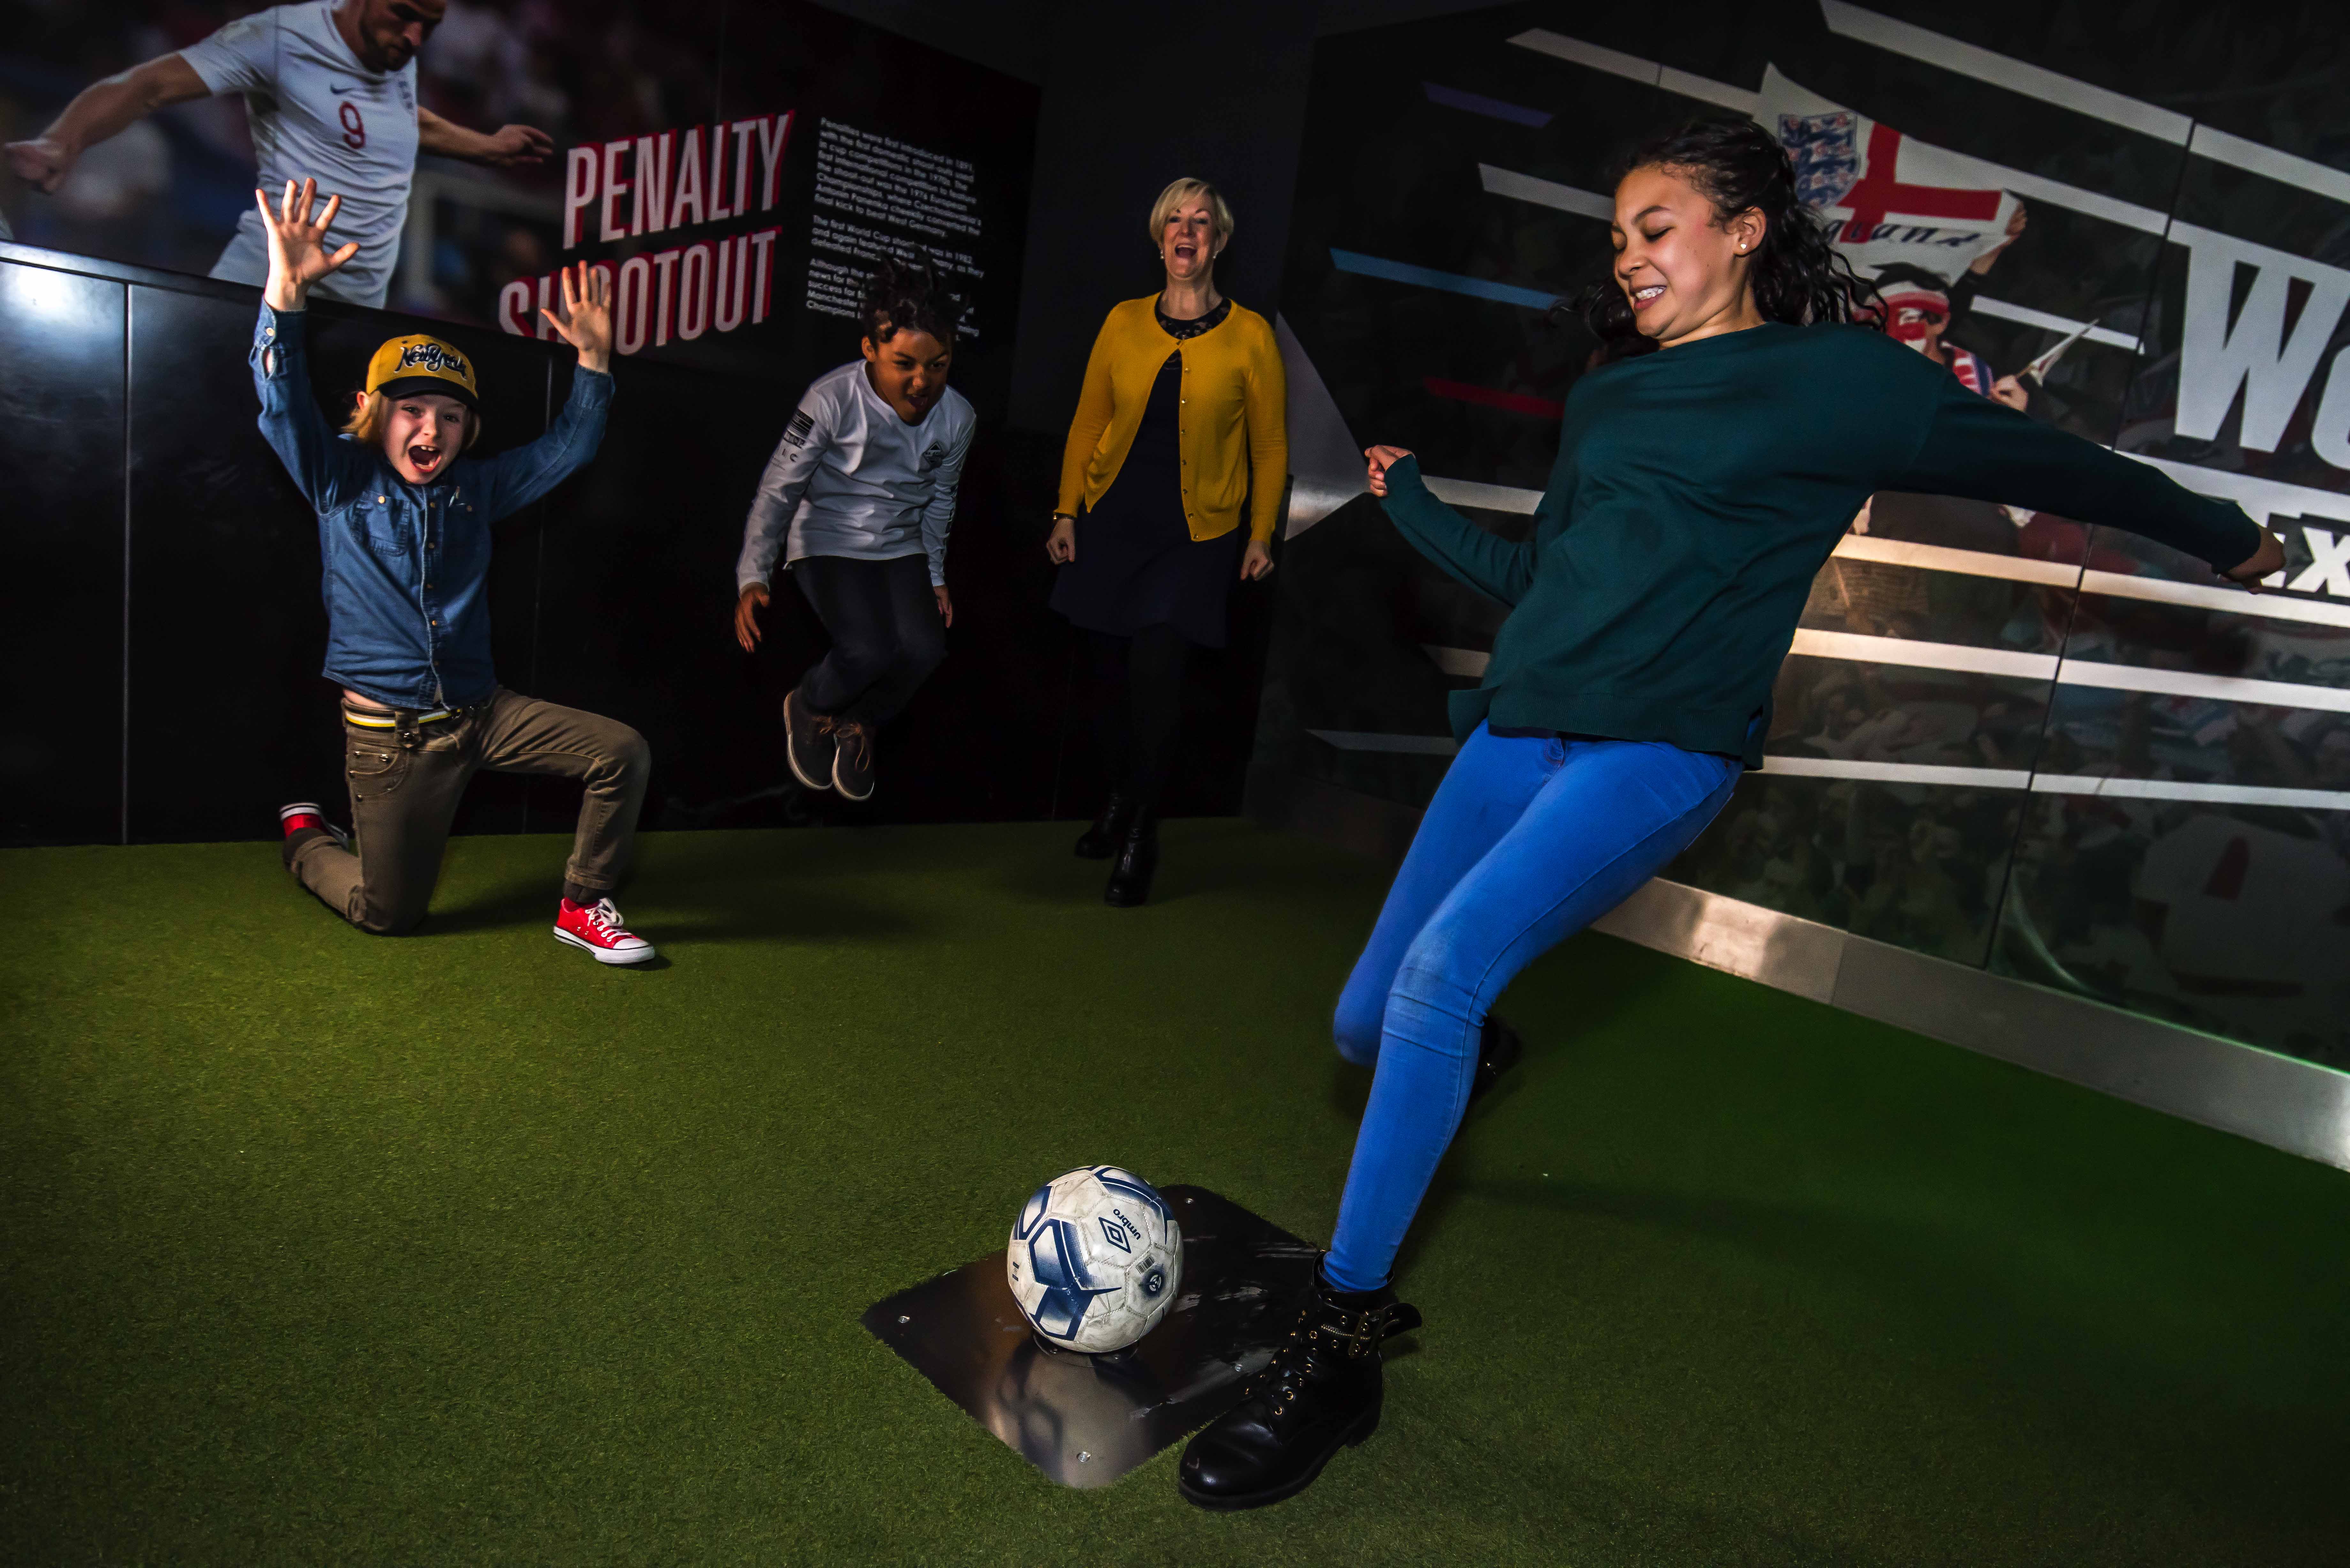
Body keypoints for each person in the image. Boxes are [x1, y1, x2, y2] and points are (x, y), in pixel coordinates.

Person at [1173, 118, 2285, 1512]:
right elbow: (1543, 582)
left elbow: (2067, 474)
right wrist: (1410, 502)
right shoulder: (1610, 399)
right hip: (1517, 733)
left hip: (1655, 754)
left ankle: (1337, 1347)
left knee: (1437, 979)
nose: (1628, 258)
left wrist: (2227, 535)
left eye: (1655, 228)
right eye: (1617, 238)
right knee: (1367, 1019)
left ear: (1745, 229)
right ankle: (1459, 1046)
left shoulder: (1842, 381)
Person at [253, 176, 654, 964]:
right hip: (391, 741)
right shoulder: (341, 479)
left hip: (483, 712)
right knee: (386, 912)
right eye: (410, 409)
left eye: (449, 414)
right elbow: (280, 403)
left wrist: (595, 361)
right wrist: (285, 295)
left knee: (622, 751)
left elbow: (567, 450)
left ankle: (582, 905)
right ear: (374, 413)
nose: (429, 426)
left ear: (468, 429)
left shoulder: (480, 486)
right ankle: (306, 840)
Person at [1047, 177, 1285, 905]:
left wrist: (1261, 531)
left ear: (1218, 240)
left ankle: (1140, 832)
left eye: (1202, 222)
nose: (1187, 232)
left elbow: (1269, 445)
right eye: (1174, 221)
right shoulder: (1122, 321)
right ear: (1158, 239)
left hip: (1198, 533)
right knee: (1105, 691)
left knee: (1157, 681)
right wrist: (1064, 512)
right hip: (1112, 521)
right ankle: (1120, 795)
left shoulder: (1250, 335)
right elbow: (1088, 422)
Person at [4, 0, 550, 308]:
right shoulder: (283, 39)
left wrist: (486, 146)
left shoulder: (394, 51)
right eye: (404, 15)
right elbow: (149, 84)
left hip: (360, 298)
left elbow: (401, 118)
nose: (414, 36)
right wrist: (64, 140)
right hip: (267, 285)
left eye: (428, 25)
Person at [732, 260, 975, 802]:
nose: (923, 382)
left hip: (900, 544)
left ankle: (859, 722)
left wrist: (935, 574)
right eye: (904, 364)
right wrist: (754, 574)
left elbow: (941, 499)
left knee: (924, 650)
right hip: (826, 538)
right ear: (870, 349)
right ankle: (810, 705)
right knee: (867, 650)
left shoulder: (958, 417)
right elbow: (779, 489)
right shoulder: (831, 399)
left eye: (938, 365)